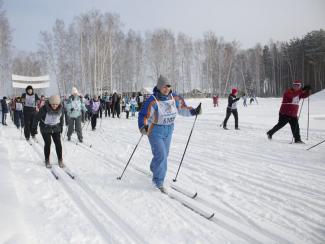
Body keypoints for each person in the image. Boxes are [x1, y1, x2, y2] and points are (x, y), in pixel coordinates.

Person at [138, 75, 202, 193]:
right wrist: (143, 126)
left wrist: (194, 111)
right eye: (164, 86)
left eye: (168, 86)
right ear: (159, 87)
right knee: (161, 155)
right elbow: (143, 115)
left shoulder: (174, 98)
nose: (166, 88)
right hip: (155, 130)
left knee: (164, 154)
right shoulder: (153, 100)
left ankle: (154, 167)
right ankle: (158, 182)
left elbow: (183, 108)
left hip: (169, 130)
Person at [33, 95, 64, 168]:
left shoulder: (60, 109)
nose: (55, 106)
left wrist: (61, 126)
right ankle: (47, 160)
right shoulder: (44, 109)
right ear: (50, 103)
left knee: (58, 143)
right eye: (53, 104)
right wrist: (34, 128)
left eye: (56, 104)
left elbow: (61, 118)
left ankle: (60, 159)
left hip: (55, 127)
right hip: (45, 127)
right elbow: (36, 118)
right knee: (48, 143)